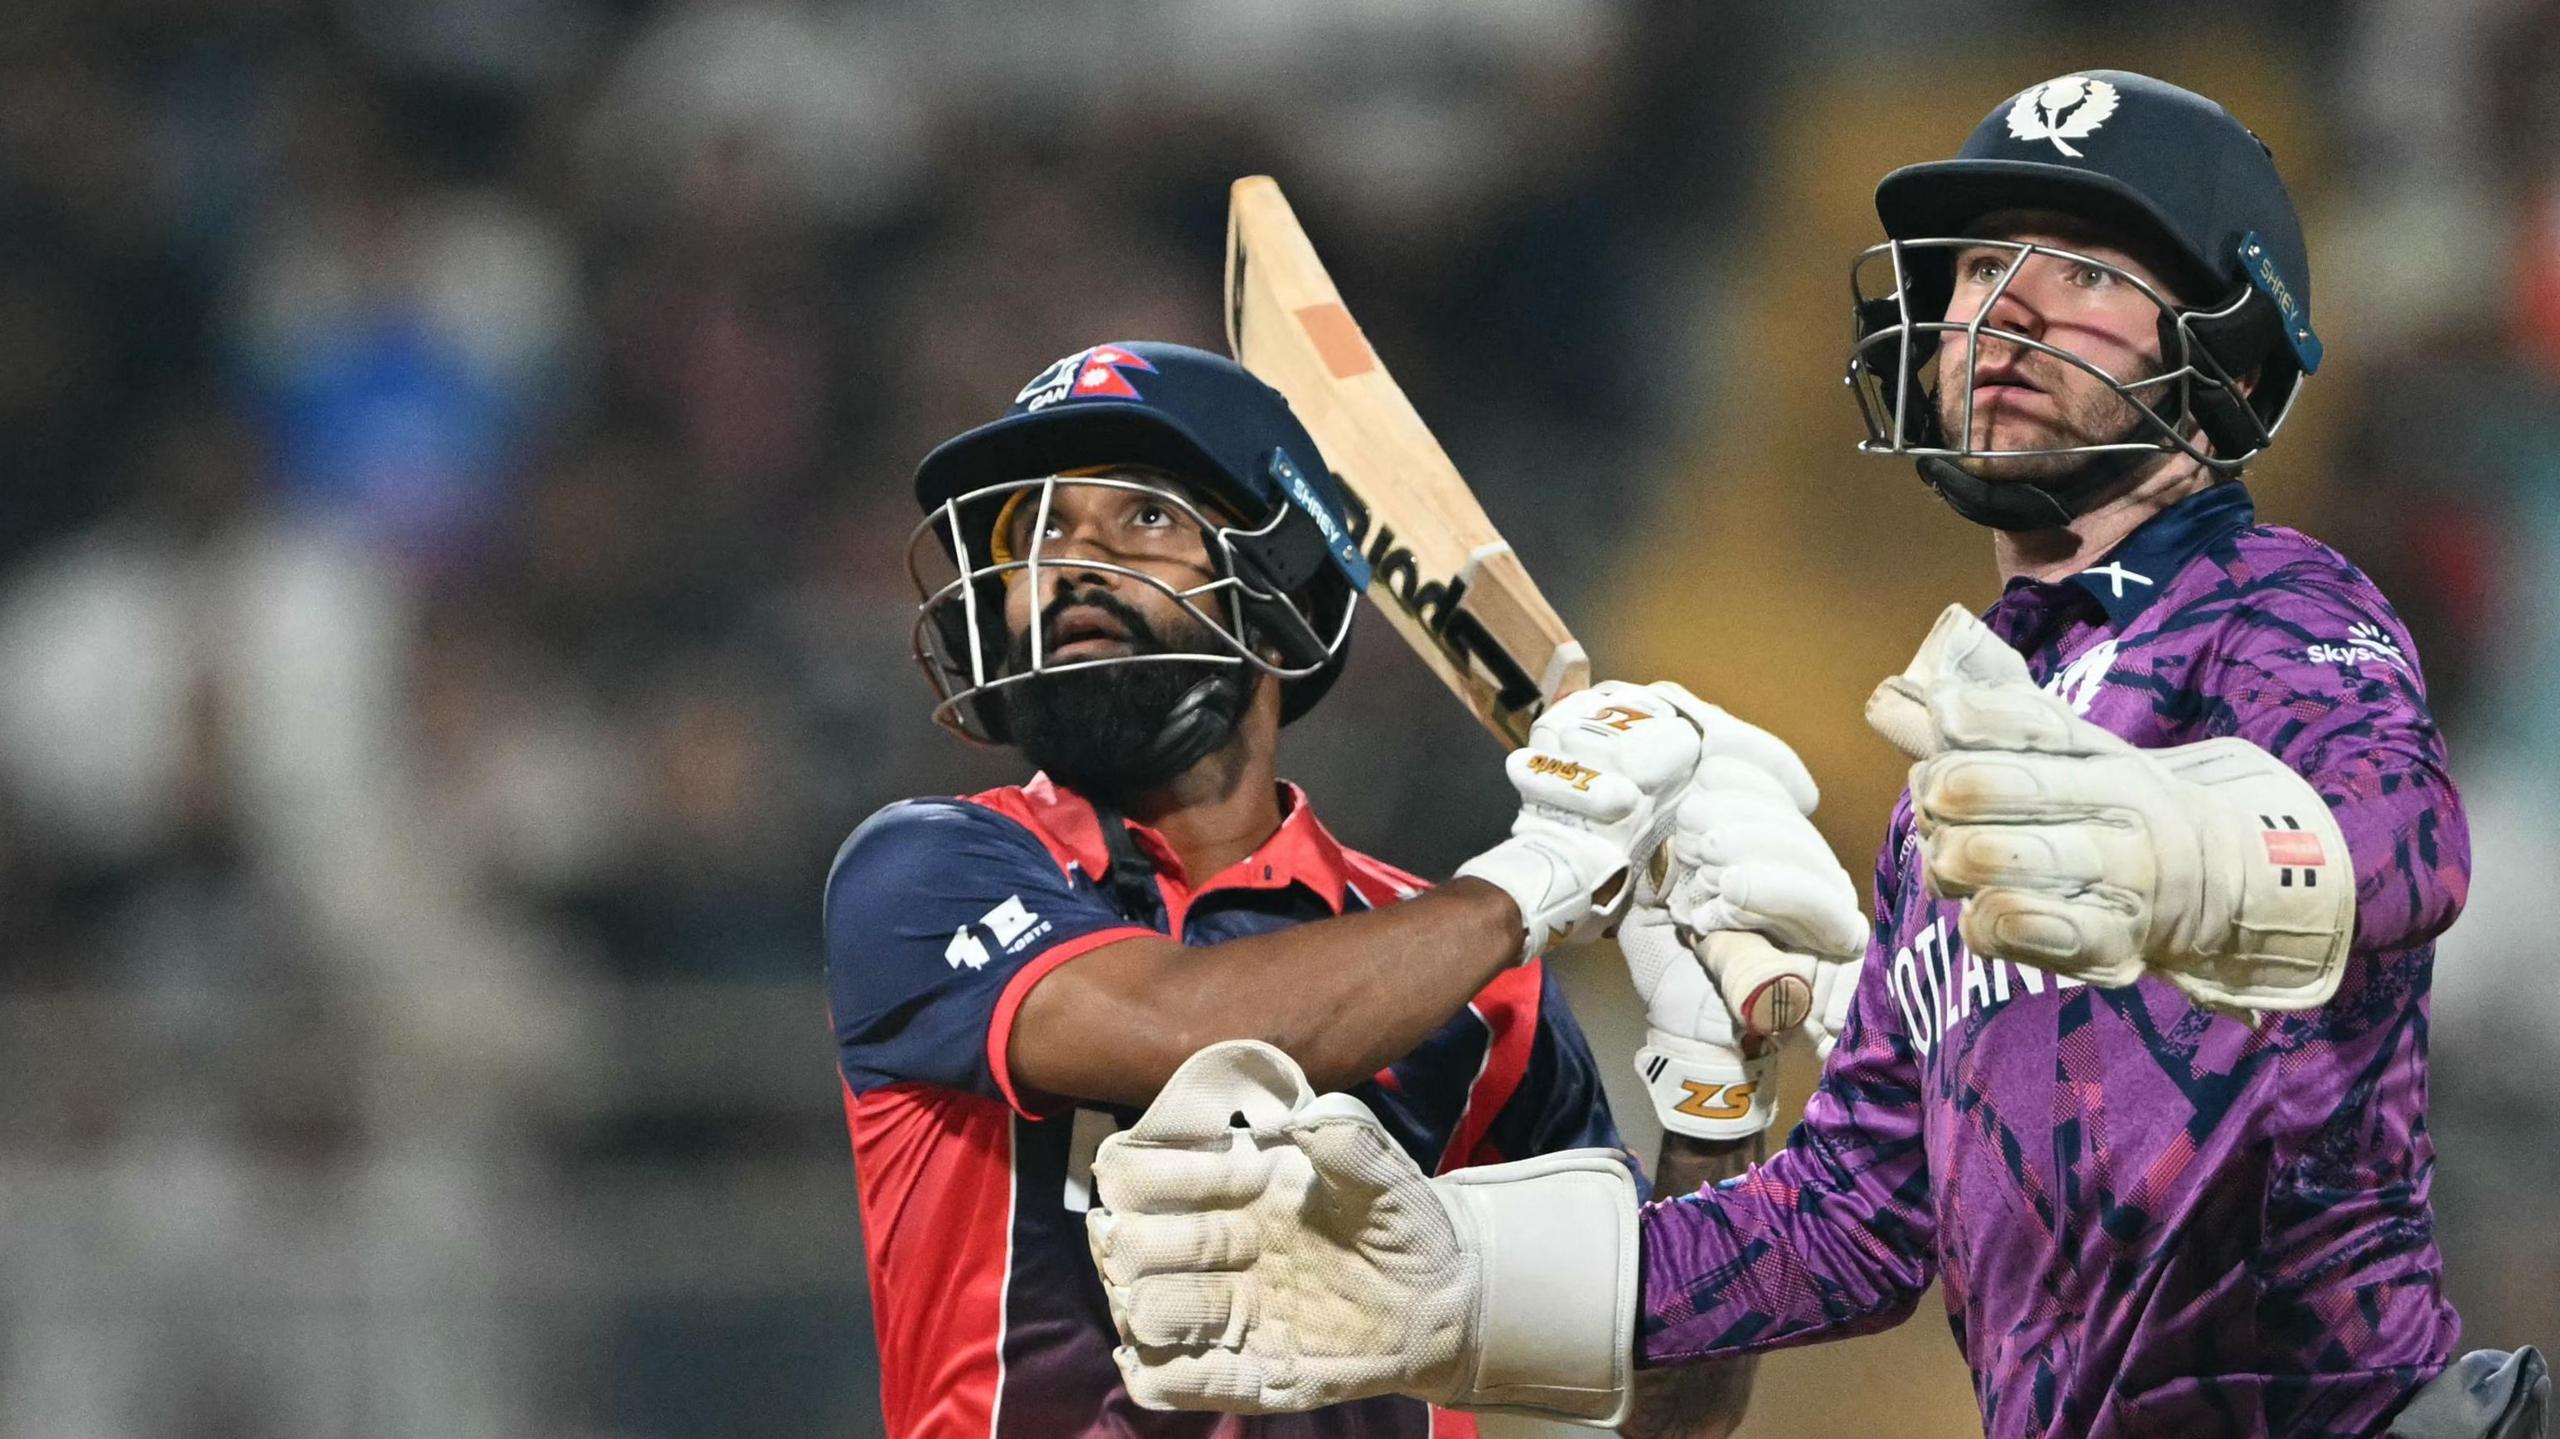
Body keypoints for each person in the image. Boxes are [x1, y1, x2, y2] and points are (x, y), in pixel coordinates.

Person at [1084, 73, 2549, 1439]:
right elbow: (1850, 1221)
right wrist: (1461, 1282)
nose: (2005, 310)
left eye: (2088, 272)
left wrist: (2200, 853)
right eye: (1978, 269)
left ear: (2220, 345)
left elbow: (2404, 843)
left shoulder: (2275, 604)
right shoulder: (1952, 793)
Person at [825, 340, 1862, 1437]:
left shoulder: (1478, 986)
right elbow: (1190, 1032)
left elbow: (1666, 1408)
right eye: (1033, 532)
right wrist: (1542, 872)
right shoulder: (925, 869)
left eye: (1143, 516)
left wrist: (1710, 1101)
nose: (1070, 560)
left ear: (1283, 574)